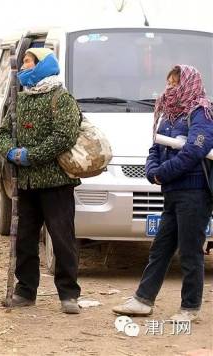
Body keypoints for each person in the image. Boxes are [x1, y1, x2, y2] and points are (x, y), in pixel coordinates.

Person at [112, 65, 213, 322]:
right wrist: (152, 170)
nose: (169, 88)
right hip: (172, 192)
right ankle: (143, 300)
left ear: (188, 84)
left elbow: (194, 152)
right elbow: (155, 146)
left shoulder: (201, 112)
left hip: (194, 193)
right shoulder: (167, 114)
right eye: (168, 82)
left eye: (175, 83)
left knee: (190, 251)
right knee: (161, 248)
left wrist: (163, 173)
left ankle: (190, 308)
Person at [0, 47, 82, 314]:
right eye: (23, 61)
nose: (23, 65)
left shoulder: (61, 97)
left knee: (62, 238)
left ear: (43, 65)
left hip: (56, 183)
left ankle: (68, 294)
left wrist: (30, 155)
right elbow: (3, 132)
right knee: (24, 238)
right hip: (26, 184)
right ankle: (25, 291)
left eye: (29, 61)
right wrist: (10, 151)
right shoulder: (19, 99)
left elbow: (64, 136)